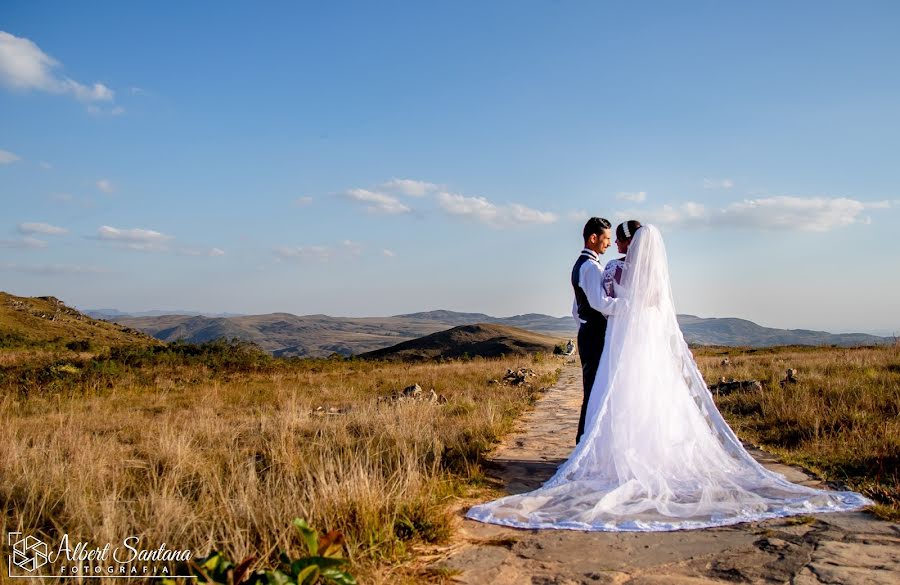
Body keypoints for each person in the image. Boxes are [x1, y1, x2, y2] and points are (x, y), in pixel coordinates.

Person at [467, 224, 871, 531]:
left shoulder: (614, 270)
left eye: (617, 239)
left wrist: (616, 310)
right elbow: (640, 308)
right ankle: (644, 452)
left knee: (611, 395)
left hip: (622, 345)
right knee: (650, 397)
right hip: (645, 347)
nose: (613, 245)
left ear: (626, 242)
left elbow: (605, 306)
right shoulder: (648, 277)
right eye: (608, 239)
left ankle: (607, 456)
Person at [570, 217, 623, 444]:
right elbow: (600, 303)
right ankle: (584, 443)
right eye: (607, 238)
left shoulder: (582, 265)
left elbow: (576, 309)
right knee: (594, 390)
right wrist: (630, 306)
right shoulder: (591, 268)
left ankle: (585, 441)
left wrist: (585, 324)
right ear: (593, 238)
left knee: (593, 388)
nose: (609, 244)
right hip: (595, 335)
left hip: (588, 332)